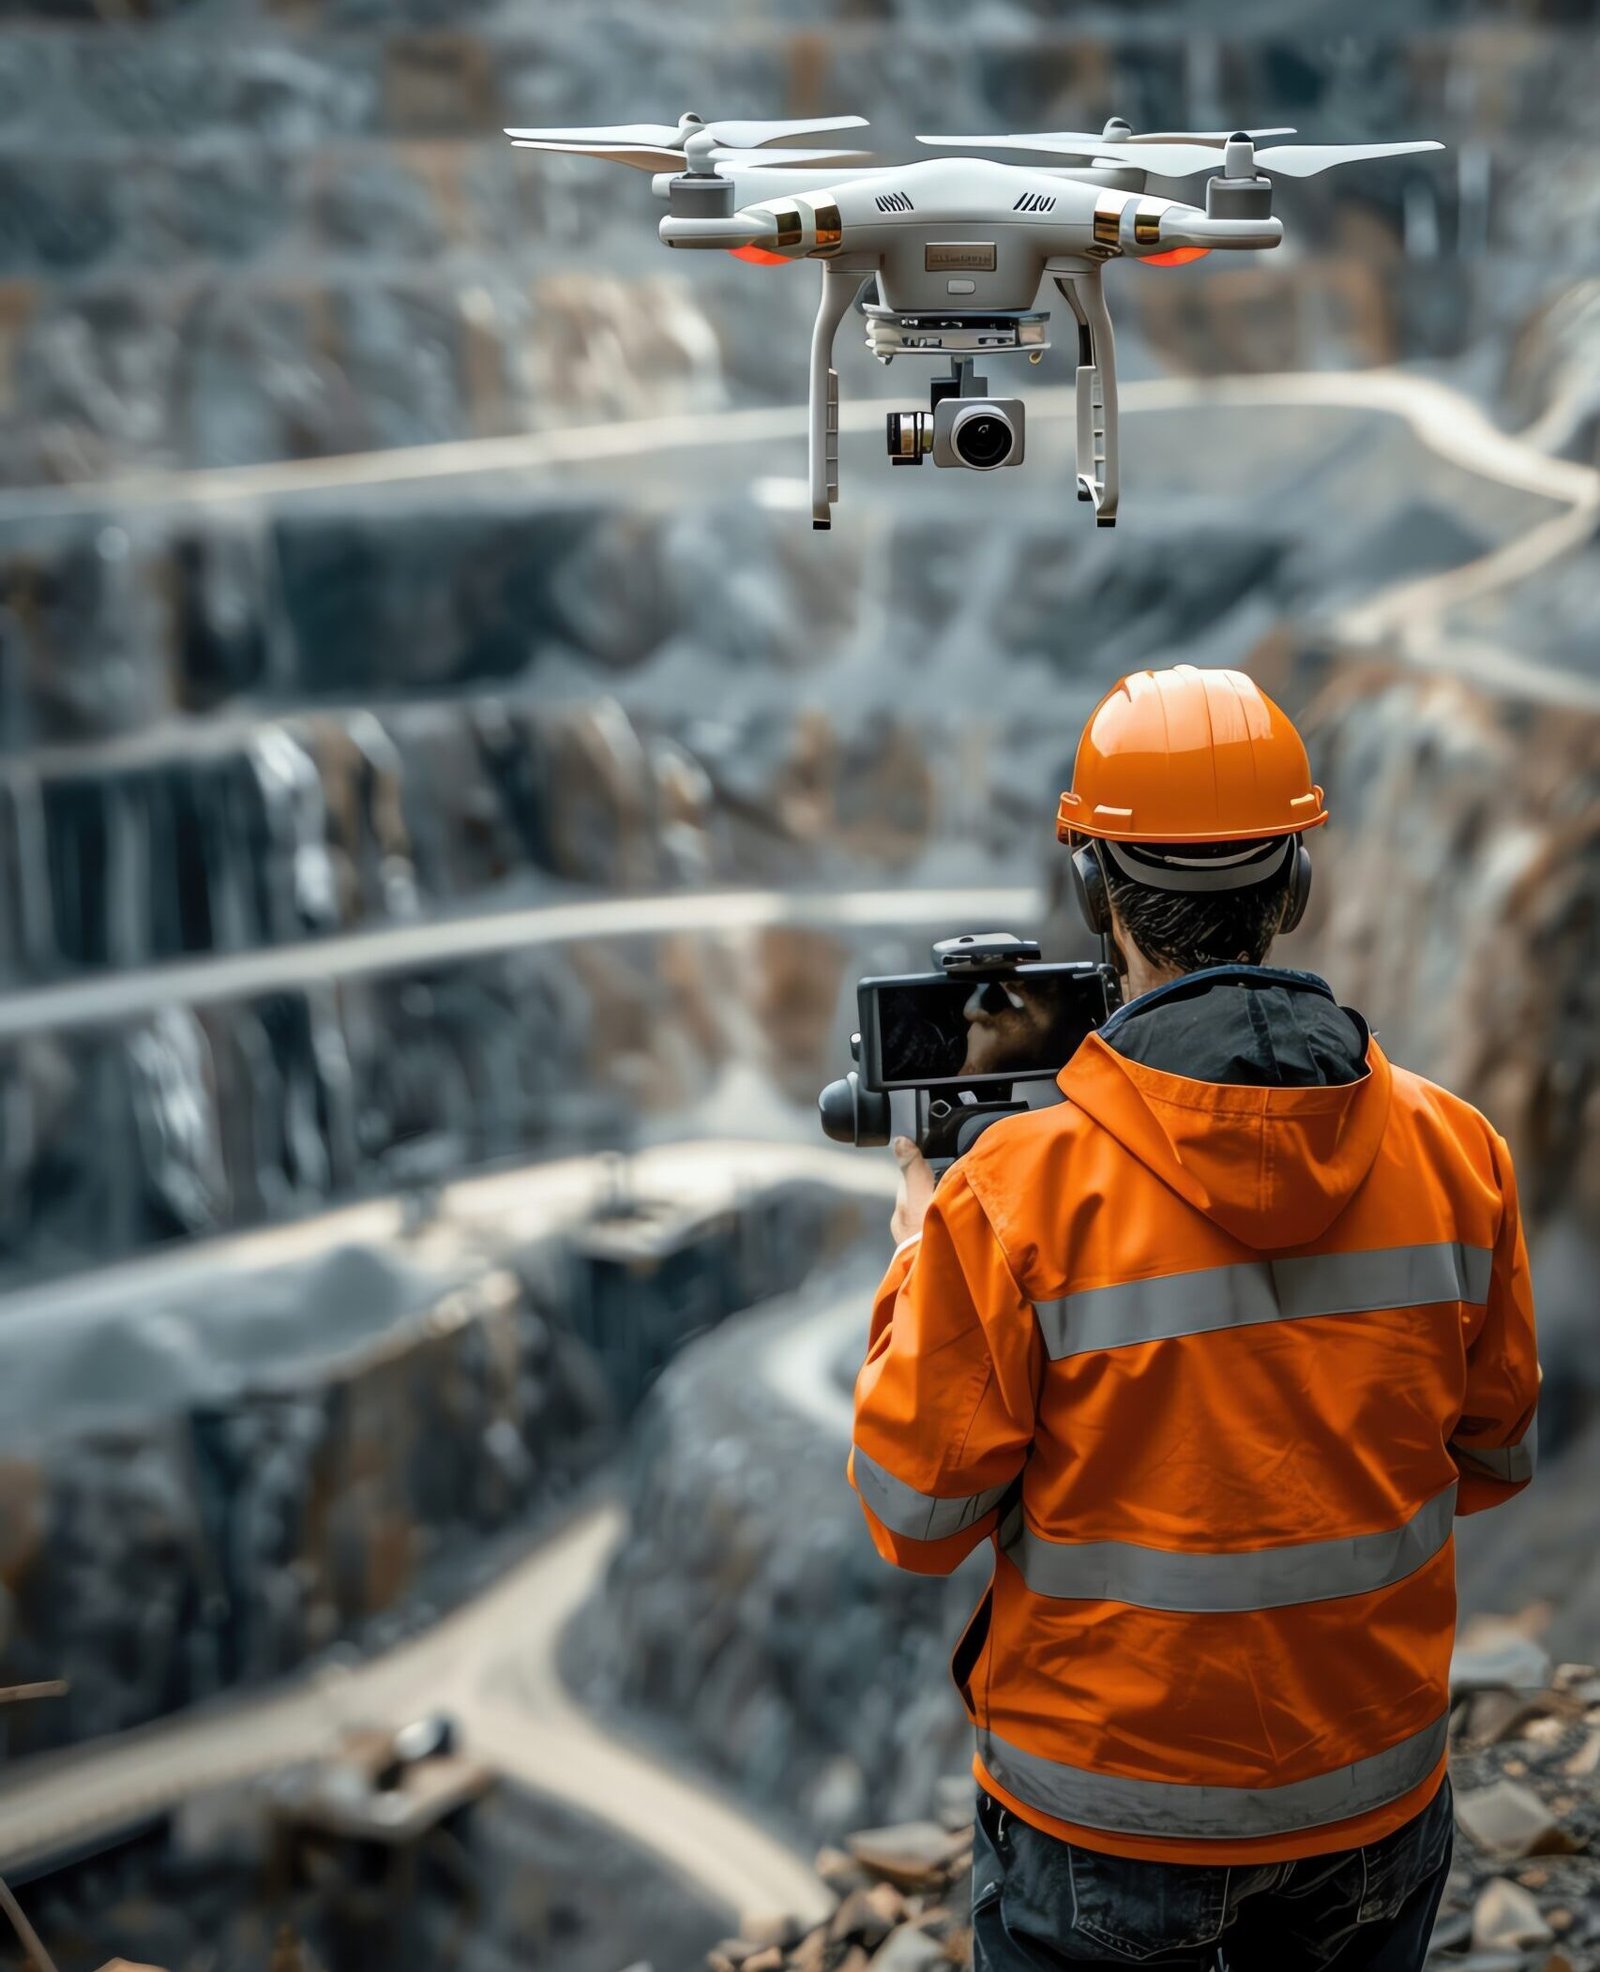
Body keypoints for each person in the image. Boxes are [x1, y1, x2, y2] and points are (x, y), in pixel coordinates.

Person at [847, 665, 1540, 1972]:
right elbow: (1493, 1463)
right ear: (1293, 887)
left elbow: (912, 1513)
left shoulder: (1011, 1196)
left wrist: (916, 1247)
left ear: (1092, 890)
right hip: (1370, 1801)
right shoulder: (1461, 1154)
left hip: (1106, 1824)